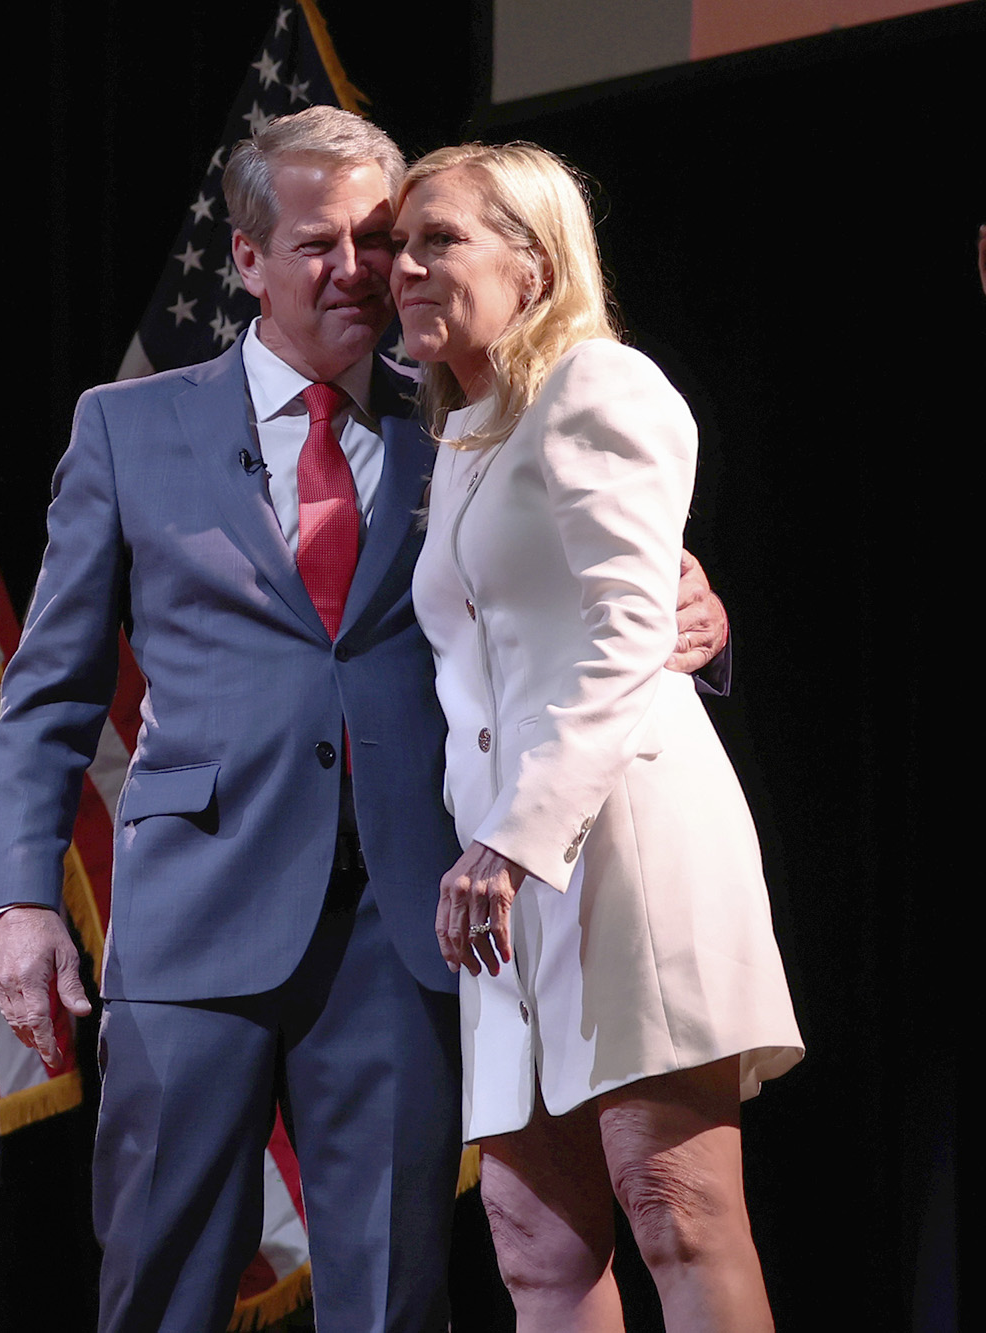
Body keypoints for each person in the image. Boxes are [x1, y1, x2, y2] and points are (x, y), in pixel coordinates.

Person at [0, 107, 730, 1333]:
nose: (356, 269)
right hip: (190, 918)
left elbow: (588, 577)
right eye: (316, 242)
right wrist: (19, 901)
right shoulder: (125, 426)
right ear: (244, 259)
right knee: (158, 1285)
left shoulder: (468, 415)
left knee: (390, 1294)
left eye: (378, 239)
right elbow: (53, 688)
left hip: (404, 919)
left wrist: (696, 608)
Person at [394, 142, 803, 1331]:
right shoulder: (469, 431)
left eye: (439, 240)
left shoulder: (596, 386)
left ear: (531, 261)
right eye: (398, 245)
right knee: (532, 1248)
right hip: (504, 875)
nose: (403, 269)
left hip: (612, 840)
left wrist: (512, 843)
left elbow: (631, 631)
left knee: (675, 1207)